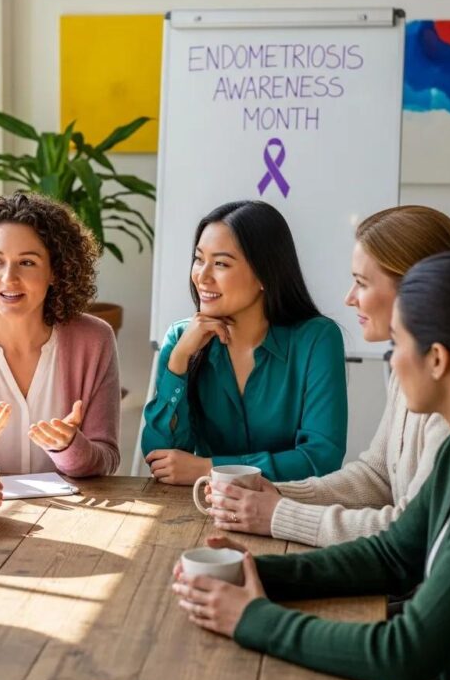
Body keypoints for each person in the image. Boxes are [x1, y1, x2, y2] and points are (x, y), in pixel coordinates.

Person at [172, 251, 450, 680]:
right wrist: (257, 571)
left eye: (397, 343)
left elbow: (402, 653)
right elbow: (393, 554)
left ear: (436, 359)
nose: (392, 362)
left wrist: (252, 618)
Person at [206, 206, 450, 545]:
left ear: (417, 288)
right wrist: (277, 493)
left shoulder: (447, 393)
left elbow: (411, 532)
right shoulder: (410, 365)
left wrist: (278, 514)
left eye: (361, 283)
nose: (349, 298)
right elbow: (377, 477)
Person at [142, 200, 347, 484]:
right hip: (203, 506)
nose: (202, 276)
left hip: (289, 506)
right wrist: (178, 363)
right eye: (199, 259)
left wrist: (210, 469)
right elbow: (160, 458)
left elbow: (321, 459)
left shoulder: (317, 340)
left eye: (221, 264)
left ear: (265, 274)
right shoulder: (181, 339)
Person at [0, 192, 121, 477]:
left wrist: (70, 447)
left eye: (27, 262)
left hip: (72, 507)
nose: (8, 278)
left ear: (55, 271)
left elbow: (108, 459)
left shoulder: (95, 340)